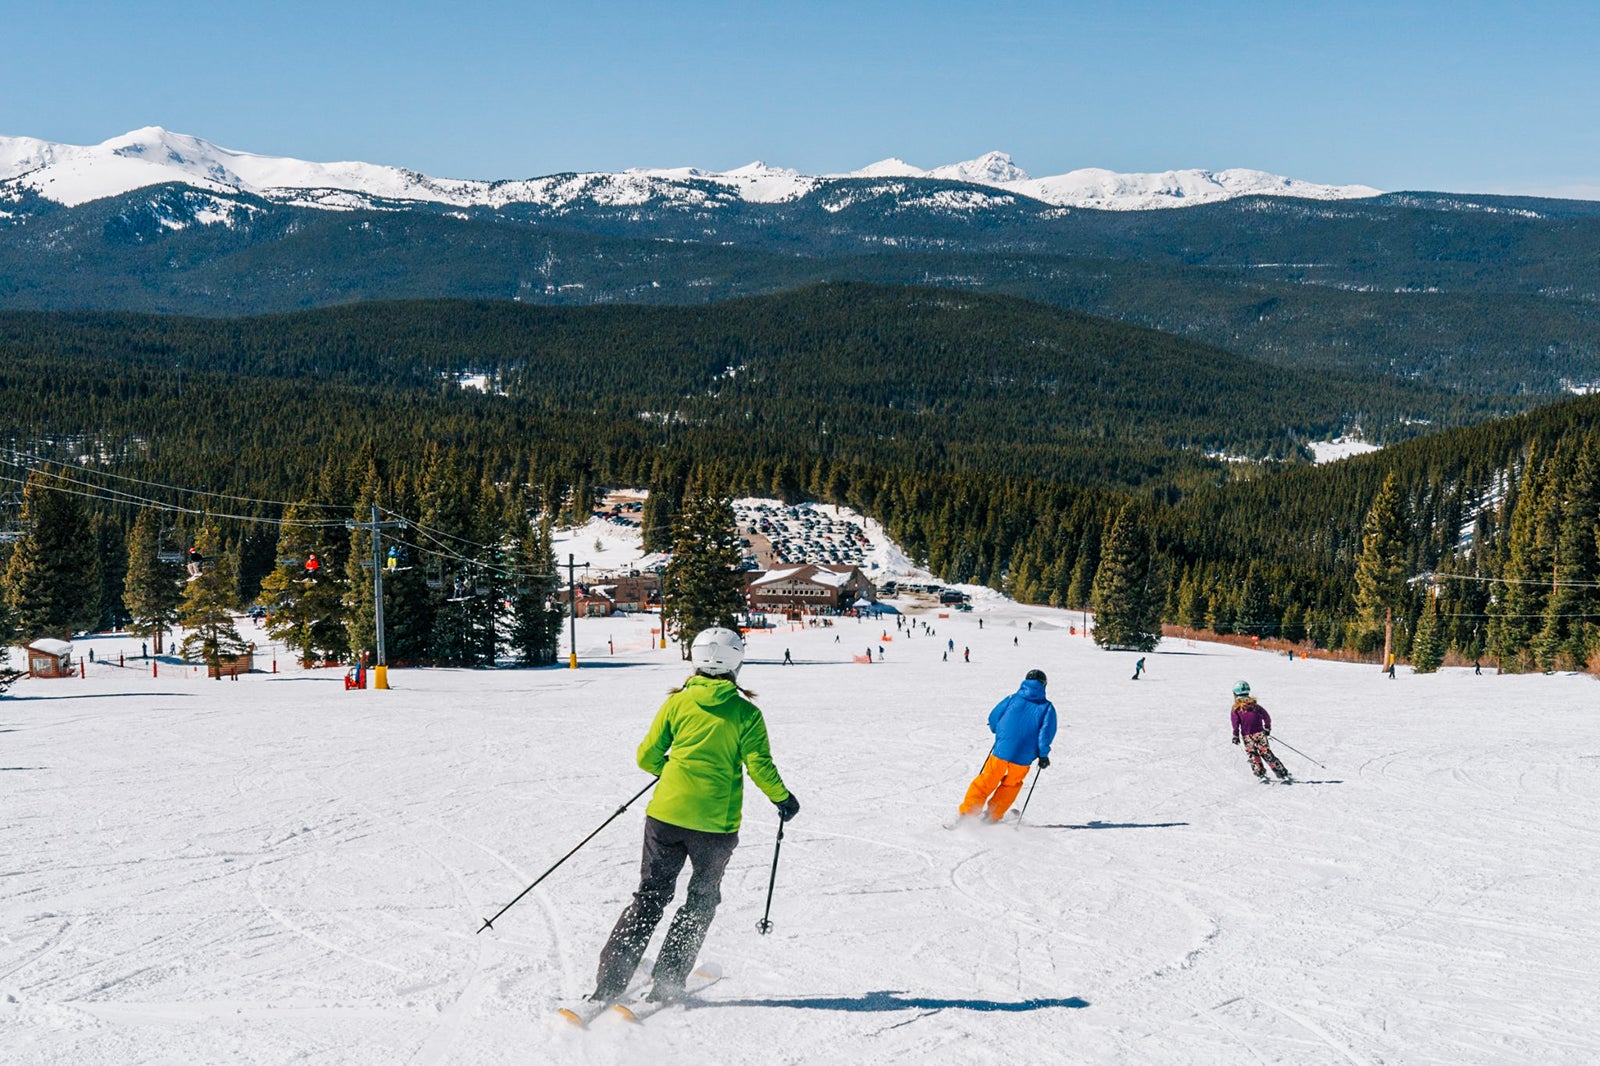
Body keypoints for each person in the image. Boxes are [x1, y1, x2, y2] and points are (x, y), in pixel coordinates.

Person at [589, 627, 798, 1005]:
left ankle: (609, 984)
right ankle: (668, 981)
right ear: (737, 661)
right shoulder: (746, 713)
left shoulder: (676, 703)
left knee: (650, 896)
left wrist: (667, 766)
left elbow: (647, 757)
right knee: (700, 900)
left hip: (666, 817)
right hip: (715, 826)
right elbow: (759, 765)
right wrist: (783, 799)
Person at [958, 669, 1057, 822]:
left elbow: (994, 717)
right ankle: (992, 816)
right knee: (1011, 785)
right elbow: (1045, 735)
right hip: (1023, 757)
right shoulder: (1047, 708)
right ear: (1044, 685)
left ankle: (968, 813)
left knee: (987, 780)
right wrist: (1043, 755)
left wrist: (998, 731)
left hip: (1002, 751)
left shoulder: (1012, 698)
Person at [1229, 681, 1290, 784]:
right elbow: (1266, 717)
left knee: (1252, 754)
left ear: (1235, 694)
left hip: (1247, 736)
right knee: (1266, 752)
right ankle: (1281, 771)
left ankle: (1260, 773)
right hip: (1260, 734)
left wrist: (1235, 735)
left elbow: (1235, 724)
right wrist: (1267, 728)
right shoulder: (1255, 706)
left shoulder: (1236, 709)